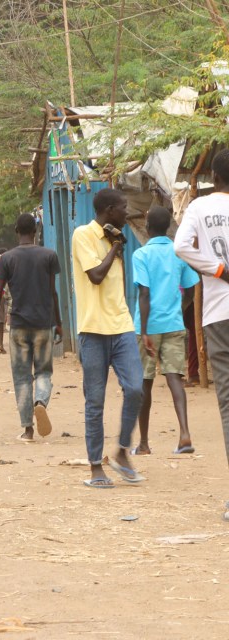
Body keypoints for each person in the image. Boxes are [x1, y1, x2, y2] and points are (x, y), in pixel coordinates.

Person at [72, 187, 145, 488]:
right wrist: (115, 248)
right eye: (124, 208)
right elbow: (96, 276)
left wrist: (116, 244)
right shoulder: (83, 235)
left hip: (121, 326)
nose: (128, 213)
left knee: (136, 388)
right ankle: (95, 468)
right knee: (96, 401)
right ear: (110, 210)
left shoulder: (116, 239)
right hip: (92, 329)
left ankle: (123, 451)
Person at [175, 149, 229, 520]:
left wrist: (219, 270)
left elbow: (181, 246)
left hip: (218, 314)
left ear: (213, 174)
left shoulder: (198, 207)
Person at [132, 206, 199, 456]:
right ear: (168, 227)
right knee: (175, 379)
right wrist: (178, 311)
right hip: (173, 324)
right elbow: (191, 290)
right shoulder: (178, 254)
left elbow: (144, 293)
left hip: (147, 327)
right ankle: (184, 434)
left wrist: (146, 330)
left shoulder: (140, 255)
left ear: (147, 228)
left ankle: (144, 443)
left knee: (144, 384)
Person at [0, 213, 62, 442]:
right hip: (44, 324)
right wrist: (59, 324)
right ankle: (40, 401)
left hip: (19, 325)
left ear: (16, 230)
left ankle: (28, 429)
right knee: (44, 371)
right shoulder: (49, 255)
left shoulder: (7, 259)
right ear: (36, 231)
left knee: (21, 378)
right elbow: (53, 293)